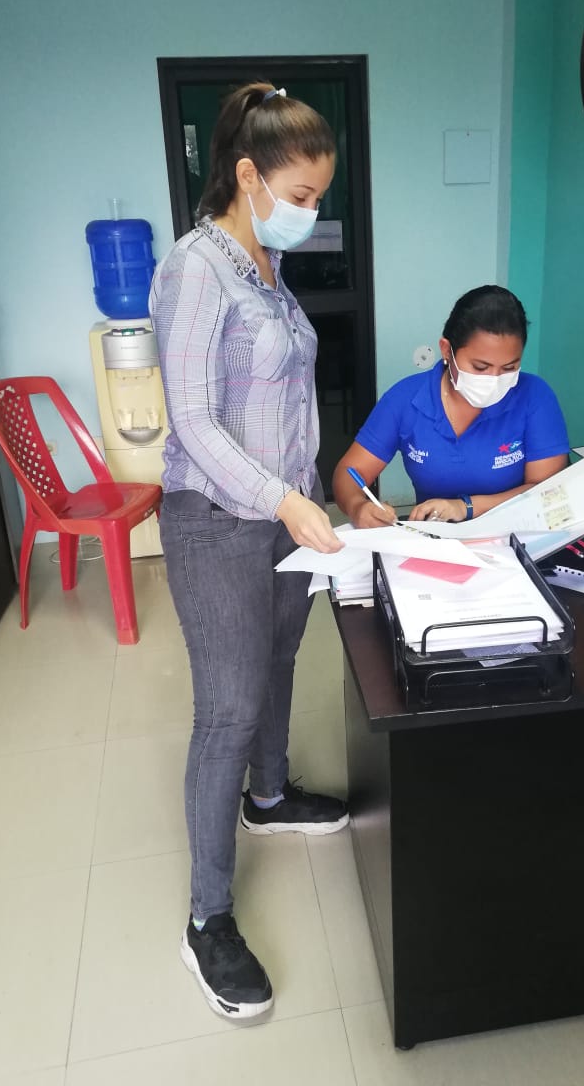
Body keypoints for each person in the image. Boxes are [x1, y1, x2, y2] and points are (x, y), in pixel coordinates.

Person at [150, 82, 348, 1021]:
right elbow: (193, 421)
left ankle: (268, 797)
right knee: (227, 708)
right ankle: (207, 919)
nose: (311, 211)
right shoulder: (196, 268)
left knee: (278, 660)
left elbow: (283, 401)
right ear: (246, 175)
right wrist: (282, 498)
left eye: (318, 196)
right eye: (301, 194)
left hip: (281, 512)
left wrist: (313, 493)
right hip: (215, 519)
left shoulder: (267, 266)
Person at [332, 285, 569, 525]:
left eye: (509, 368)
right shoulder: (406, 399)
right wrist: (358, 507)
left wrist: (465, 507)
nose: (494, 379)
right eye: (480, 367)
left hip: (517, 533)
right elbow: (349, 472)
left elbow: (549, 491)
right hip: (437, 537)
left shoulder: (535, 397)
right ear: (447, 350)